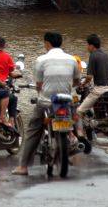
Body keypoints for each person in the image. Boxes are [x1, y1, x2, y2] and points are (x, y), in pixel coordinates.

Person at [12, 32, 80, 175]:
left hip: (47, 101)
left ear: (47, 43)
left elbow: (39, 84)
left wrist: (41, 92)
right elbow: (76, 81)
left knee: (33, 129)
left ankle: (23, 167)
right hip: (66, 100)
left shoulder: (41, 59)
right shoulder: (72, 59)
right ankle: (76, 137)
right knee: (75, 118)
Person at [77, 34, 108, 116]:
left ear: (91, 46)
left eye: (87, 45)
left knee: (79, 111)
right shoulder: (107, 55)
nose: (87, 47)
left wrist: (83, 84)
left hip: (100, 90)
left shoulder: (93, 55)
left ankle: (80, 129)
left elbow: (89, 77)